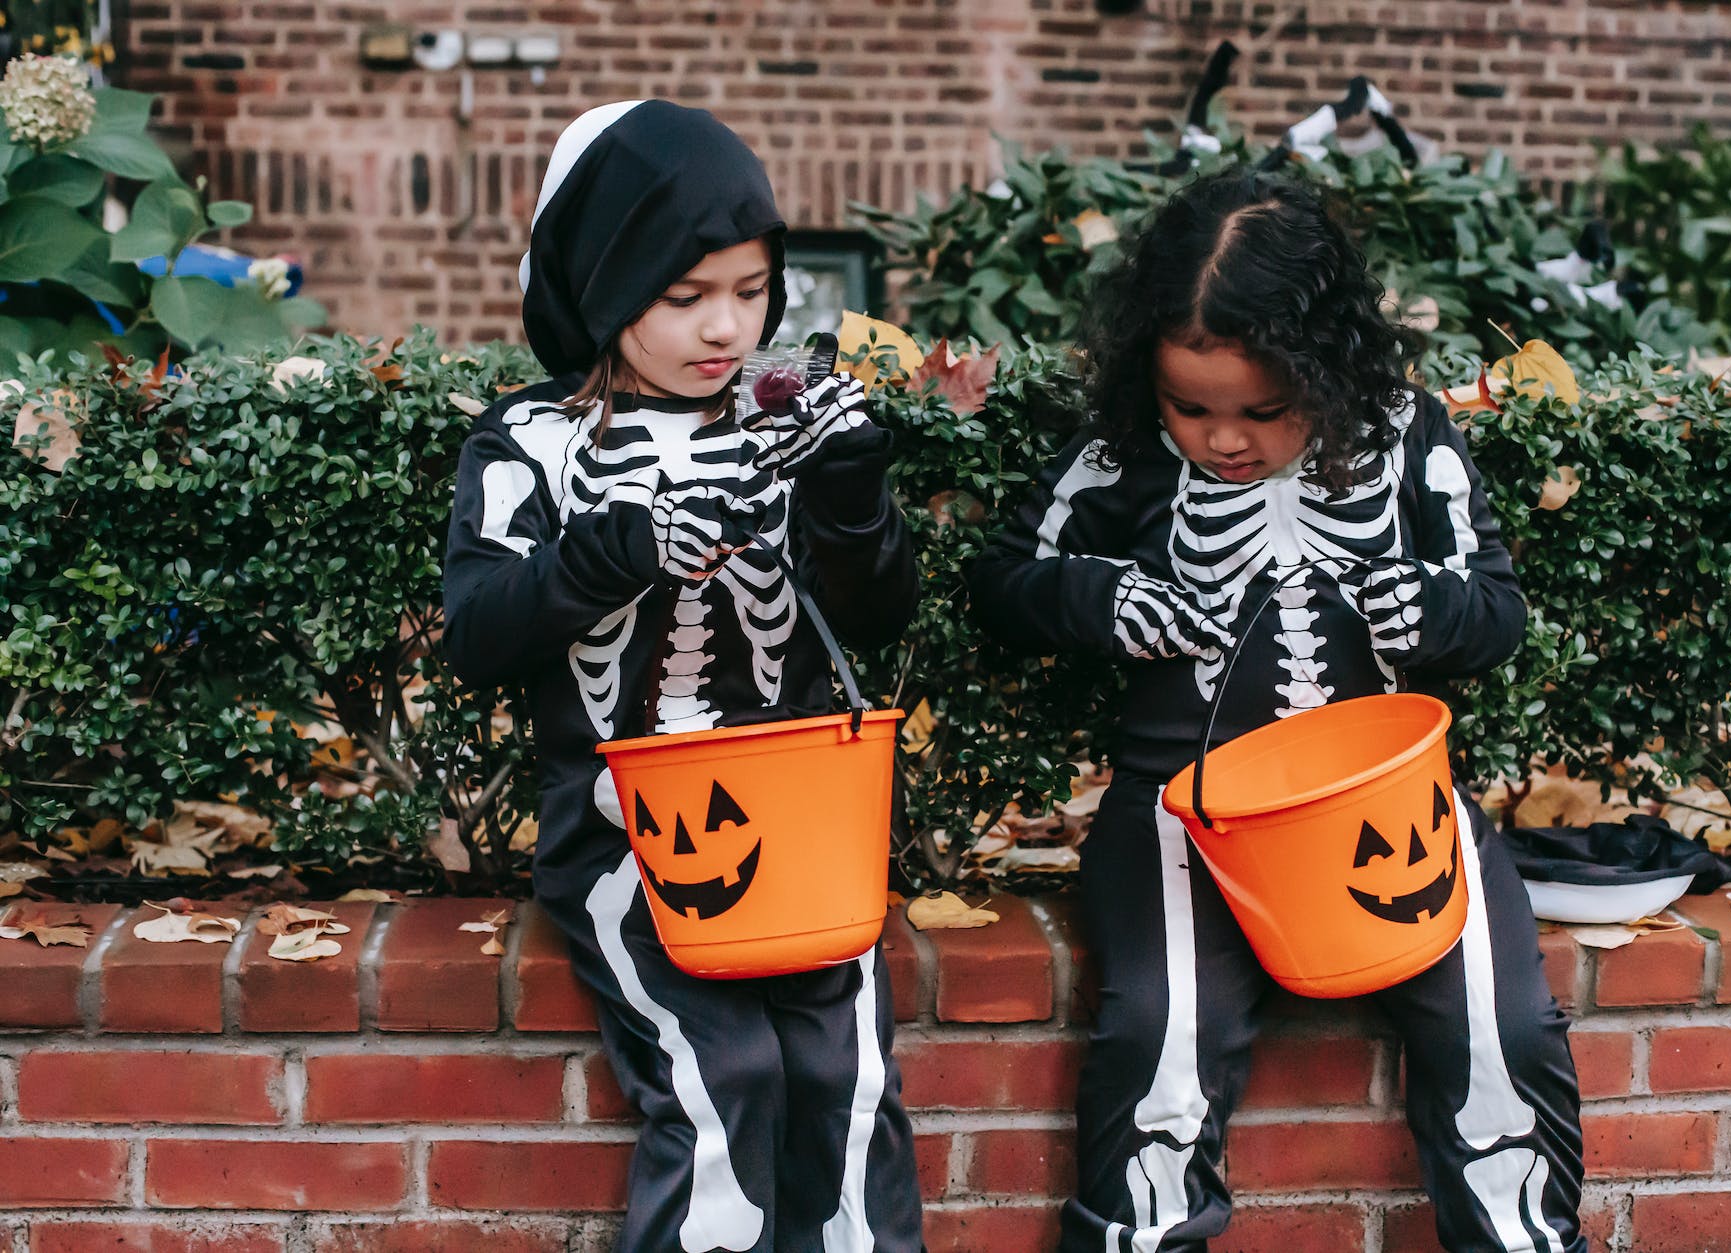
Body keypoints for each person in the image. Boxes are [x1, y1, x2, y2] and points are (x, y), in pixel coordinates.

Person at [969, 169, 1585, 1252]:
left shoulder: (1403, 434)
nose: (1224, 441)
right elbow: (1006, 581)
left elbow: (1496, 607)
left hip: (1386, 811)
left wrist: (1433, 609)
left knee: (1502, 1032)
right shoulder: (1122, 448)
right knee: (1161, 1043)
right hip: (1185, 815)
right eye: (1189, 408)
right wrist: (1102, 595)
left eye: (1262, 410)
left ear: (1328, 368)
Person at [441, 100, 923, 1253]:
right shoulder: (533, 443)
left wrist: (851, 491)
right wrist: (613, 547)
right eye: (684, 295)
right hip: (621, 828)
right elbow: (479, 633)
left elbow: (873, 612)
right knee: (721, 1077)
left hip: (804, 823)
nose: (726, 325)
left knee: (847, 1076)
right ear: (606, 286)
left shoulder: (788, 413)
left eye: (751, 290)